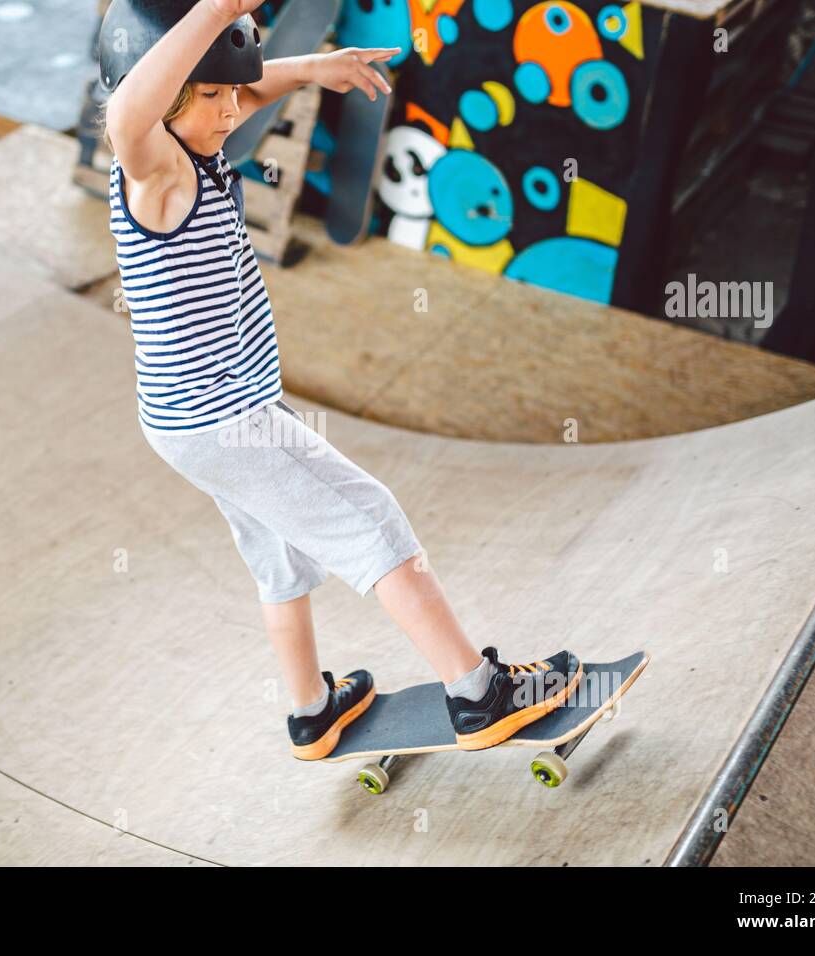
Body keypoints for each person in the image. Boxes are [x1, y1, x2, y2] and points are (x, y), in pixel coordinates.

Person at [98, 0, 580, 759]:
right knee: (374, 522)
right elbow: (131, 113)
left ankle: (311, 711)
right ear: (163, 97)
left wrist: (314, 69)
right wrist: (219, 7)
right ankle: (477, 694)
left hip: (190, 420)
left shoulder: (192, 140)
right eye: (213, 98)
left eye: (234, 95)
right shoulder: (153, 170)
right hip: (227, 422)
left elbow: (244, 88)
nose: (233, 113)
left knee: (280, 558)